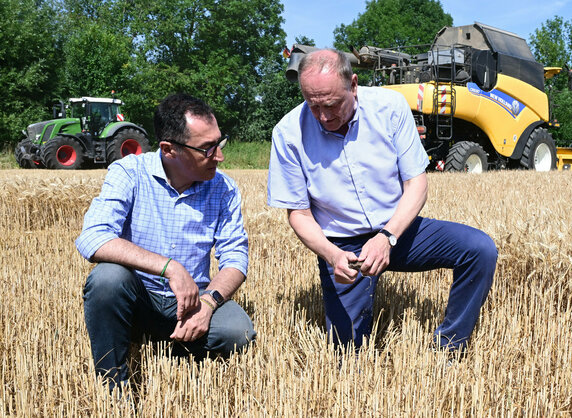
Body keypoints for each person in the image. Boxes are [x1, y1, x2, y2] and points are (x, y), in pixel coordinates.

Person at [267, 49, 497, 352]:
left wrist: (387, 237)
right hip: (343, 246)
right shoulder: (287, 133)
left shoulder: (389, 107)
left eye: (332, 104)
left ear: (353, 85)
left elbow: (416, 183)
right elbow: (298, 214)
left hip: (399, 230)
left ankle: (450, 347)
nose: (324, 116)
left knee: (480, 249)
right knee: (347, 354)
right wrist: (332, 255)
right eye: (314, 106)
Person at [76, 93, 255, 389]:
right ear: (169, 150)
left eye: (219, 143)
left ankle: (169, 348)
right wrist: (170, 267)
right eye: (207, 149)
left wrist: (209, 303)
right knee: (106, 279)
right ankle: (112, 388)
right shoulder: (129, 173)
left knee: (238, 333)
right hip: (138, 298)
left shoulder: (224, 189)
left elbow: (235, 258)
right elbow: (93, 238)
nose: (220, 156)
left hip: (193, 302)